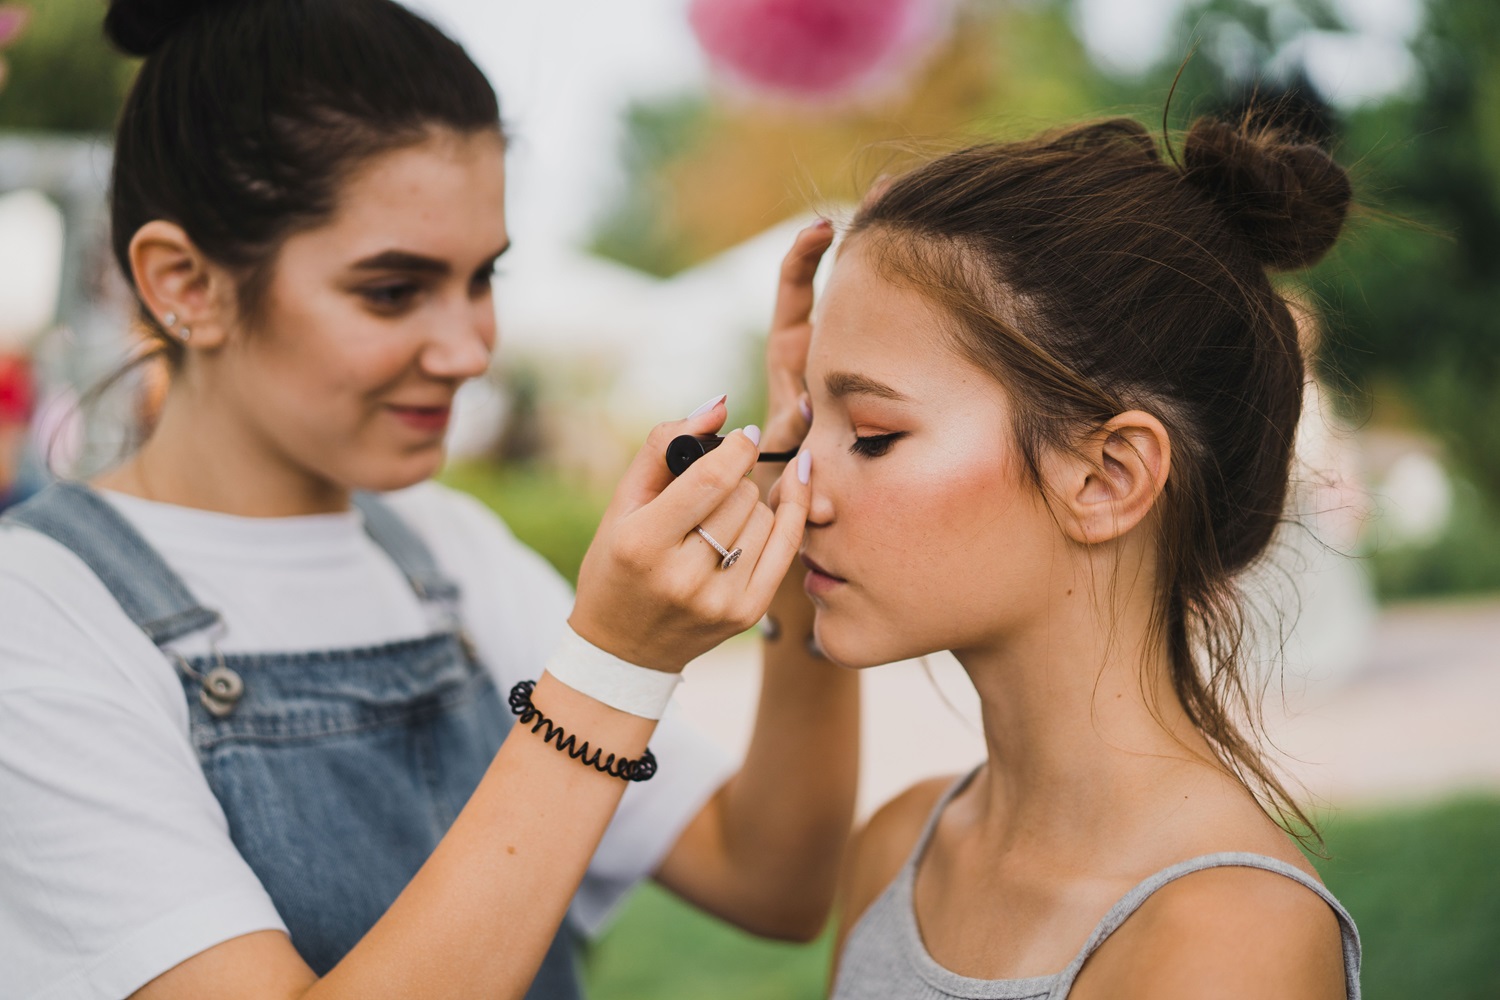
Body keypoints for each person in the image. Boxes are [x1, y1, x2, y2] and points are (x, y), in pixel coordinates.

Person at [0, 1, 856, 999]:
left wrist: (797, 509)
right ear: (185, 282)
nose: (469, 349)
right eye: (392, 290)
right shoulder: (39, 616)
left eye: (481, 278)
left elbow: (771, 879)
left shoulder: (446, 548)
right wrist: (611, 670)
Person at [786, 116, 1363, 997]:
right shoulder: (898, 848)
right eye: (805, 421)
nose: (798, 491)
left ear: (1106, 477)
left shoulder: (1231, 941)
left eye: (870, 435)